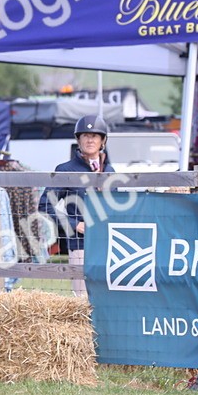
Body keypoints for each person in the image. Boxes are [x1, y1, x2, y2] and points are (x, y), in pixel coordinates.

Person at [38, 115, 114, 297]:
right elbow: (45, 205)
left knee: (107, 297)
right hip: (80, 245)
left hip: (108, 244)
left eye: (95, 136)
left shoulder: (110, 171)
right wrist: (74, 225)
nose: (90, 140)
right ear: (78, 139)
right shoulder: (65, 170)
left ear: (102, 140)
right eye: (85, 135)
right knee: (82, 299)